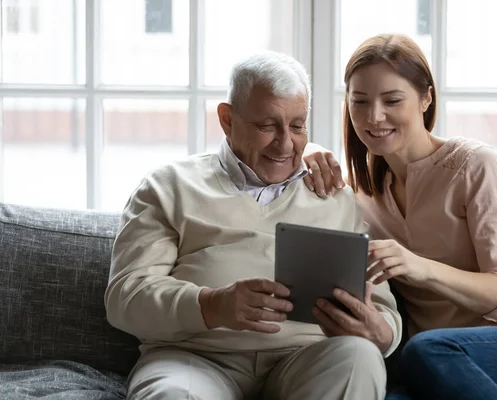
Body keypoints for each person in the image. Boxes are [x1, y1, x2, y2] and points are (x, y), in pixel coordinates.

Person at [303, 33, 497, 400]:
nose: (373, 117)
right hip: (442, 368)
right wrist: (308, 151)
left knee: (426, 349)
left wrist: (418, 267)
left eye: (392, 100)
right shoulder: (360, 198)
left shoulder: (477, 166)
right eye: (359, 102)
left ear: (426, 97)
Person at [105, 50, 402, 400]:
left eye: (297, 126)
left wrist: (380, 332)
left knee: (359, 358)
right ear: (227, 119)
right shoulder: (168, 187)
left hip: (306, 359)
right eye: (266, 126)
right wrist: (213, 304)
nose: (285, 143)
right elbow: (125, 297)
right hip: (195, 359)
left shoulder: (333, 196)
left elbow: (384, 311)